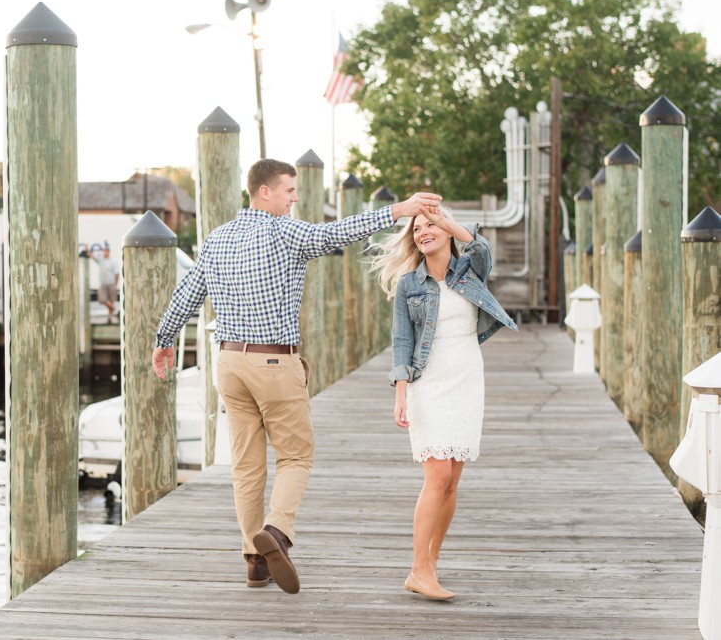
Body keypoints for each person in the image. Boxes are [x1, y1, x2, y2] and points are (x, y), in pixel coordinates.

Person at [151, 158, 443, 594]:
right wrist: (397, 210)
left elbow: (188, 293)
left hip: (228, 364)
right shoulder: (284, 231)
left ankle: (254, 561)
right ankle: (278, 532)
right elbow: (334, 233)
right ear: (264, 192)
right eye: (289, 190)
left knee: (247, 467)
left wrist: (164, 338)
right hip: (274, 363)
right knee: (295, 456)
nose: (295, 198)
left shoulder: (216, 239)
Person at [371, 204, 516, 600]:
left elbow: (482, 246)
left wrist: (443, 219)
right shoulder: (408, 285)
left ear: (449, 230)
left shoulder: (469, 270)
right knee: (436, 478)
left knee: (452, 482)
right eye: (417, 229)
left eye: (430, 226)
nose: (422, 233)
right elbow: (401, 341)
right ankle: (418, 568)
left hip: (467, 378)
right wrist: (400, 393)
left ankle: (431, 564)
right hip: (428, 382)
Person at [88, 245, 119, 322]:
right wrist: (87, 249)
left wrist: (115, 284)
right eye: (104, 251)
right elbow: (92, 256)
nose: (104, 252)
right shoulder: (101, 260)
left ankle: (110, 317)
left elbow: (116, 274)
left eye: (106, 251)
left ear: (108, 252)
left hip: (111, 283)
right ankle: (116, 309)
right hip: (103, 284)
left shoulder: (113, 262)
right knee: (102, 299)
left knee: (111, 300)